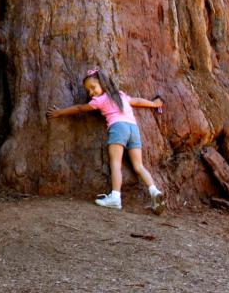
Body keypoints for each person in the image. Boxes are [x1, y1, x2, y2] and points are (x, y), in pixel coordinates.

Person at [47, 67, 166, 213]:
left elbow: (79, 108)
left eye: (93, 88)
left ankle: (115, 197)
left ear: (102, 83)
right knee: (139, 166)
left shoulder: (99, 100)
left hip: (118, 128)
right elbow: (136, 100)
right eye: (88, 91)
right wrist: (154, 104)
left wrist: (60, 112)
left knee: (115, 163)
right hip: (133, 129)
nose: (91, 93)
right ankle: (155, 192)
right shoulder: (120, 95)